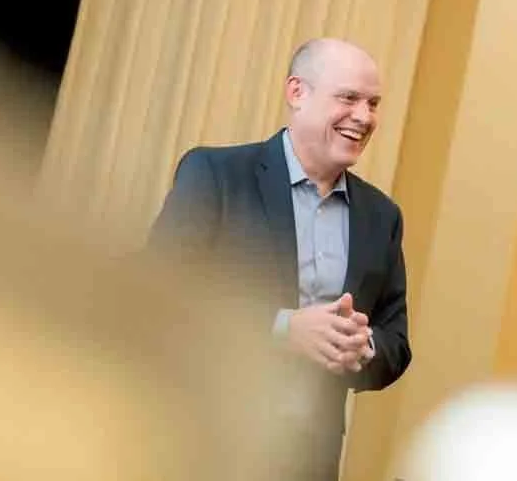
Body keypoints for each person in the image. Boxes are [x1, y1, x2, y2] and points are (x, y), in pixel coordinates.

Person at [147, 37, 412, 480]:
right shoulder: (215, 174)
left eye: (373, 103)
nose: (364, 117)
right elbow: (158, 295)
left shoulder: (381, 216)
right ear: (297, 93)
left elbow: (395, 343)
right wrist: (284, 328)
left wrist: (360, 347)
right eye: (348, 98)